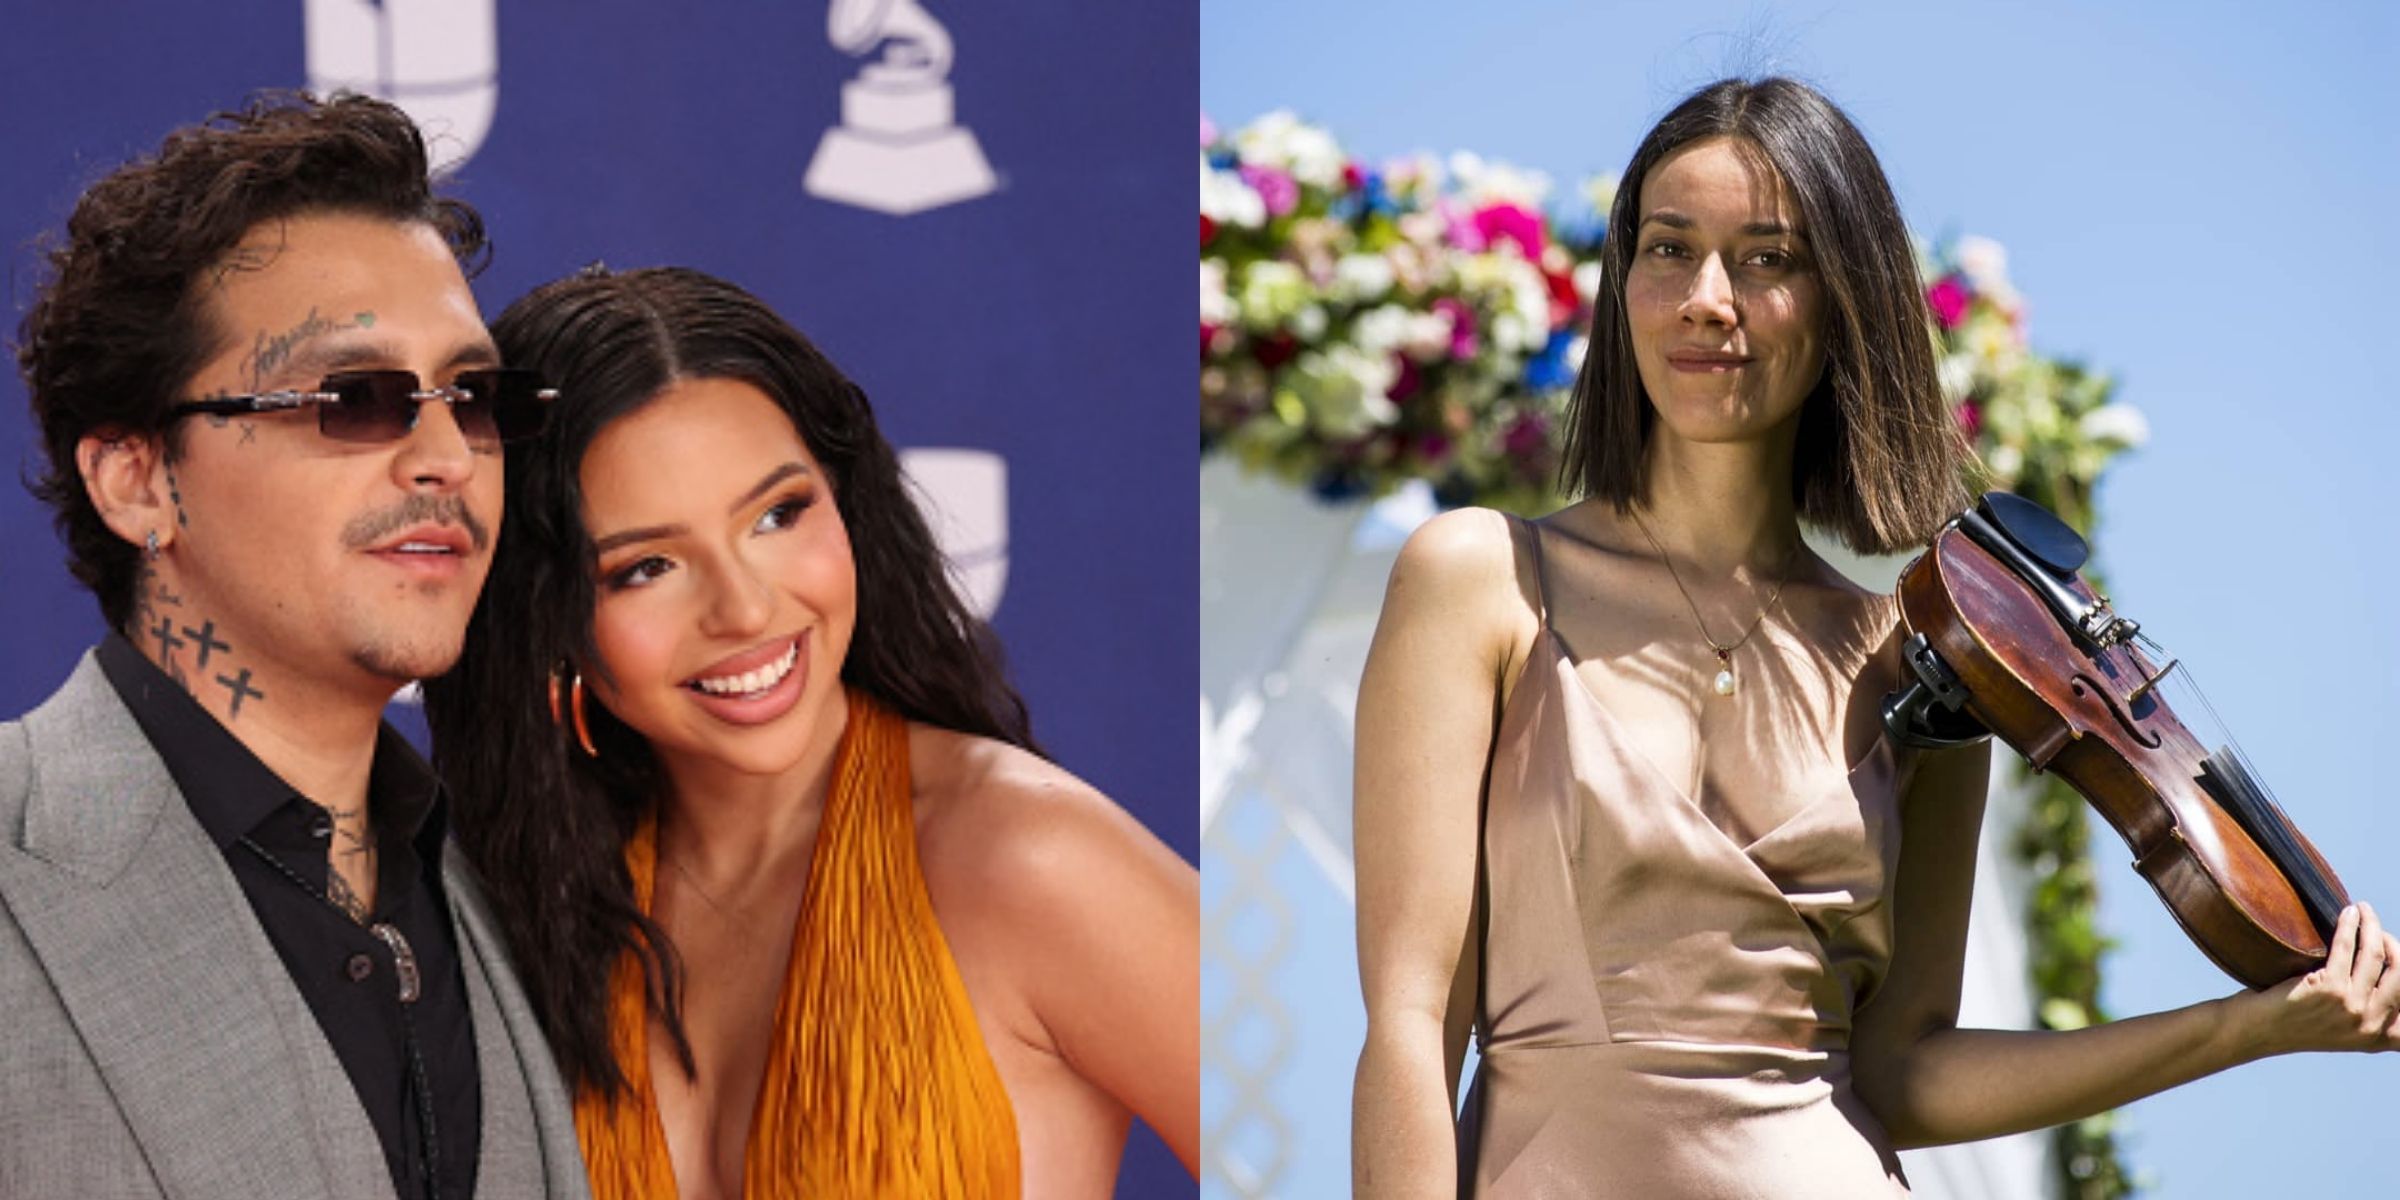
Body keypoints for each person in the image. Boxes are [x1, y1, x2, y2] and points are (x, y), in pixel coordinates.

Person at [1350, 76, 2400, 1199]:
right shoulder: (1481, 580)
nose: (1710, 298)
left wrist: (2242, 1029)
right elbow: (1413, 1020)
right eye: (1669, 249)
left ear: (1842, 300)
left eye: (1768, 258)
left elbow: (1901, 1074)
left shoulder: (1930, 660)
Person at [421, 265, 1198, 1199]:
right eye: (645, 566)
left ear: (849, 503)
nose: (746, 608)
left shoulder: (1024, 859)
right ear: (542, 621)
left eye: (779, 514)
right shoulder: (524, 915)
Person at [0, 94, 588, 1199]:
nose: (445, 458)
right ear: (137, 479)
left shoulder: (518, 893)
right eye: (354, 400)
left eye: (472, 398)